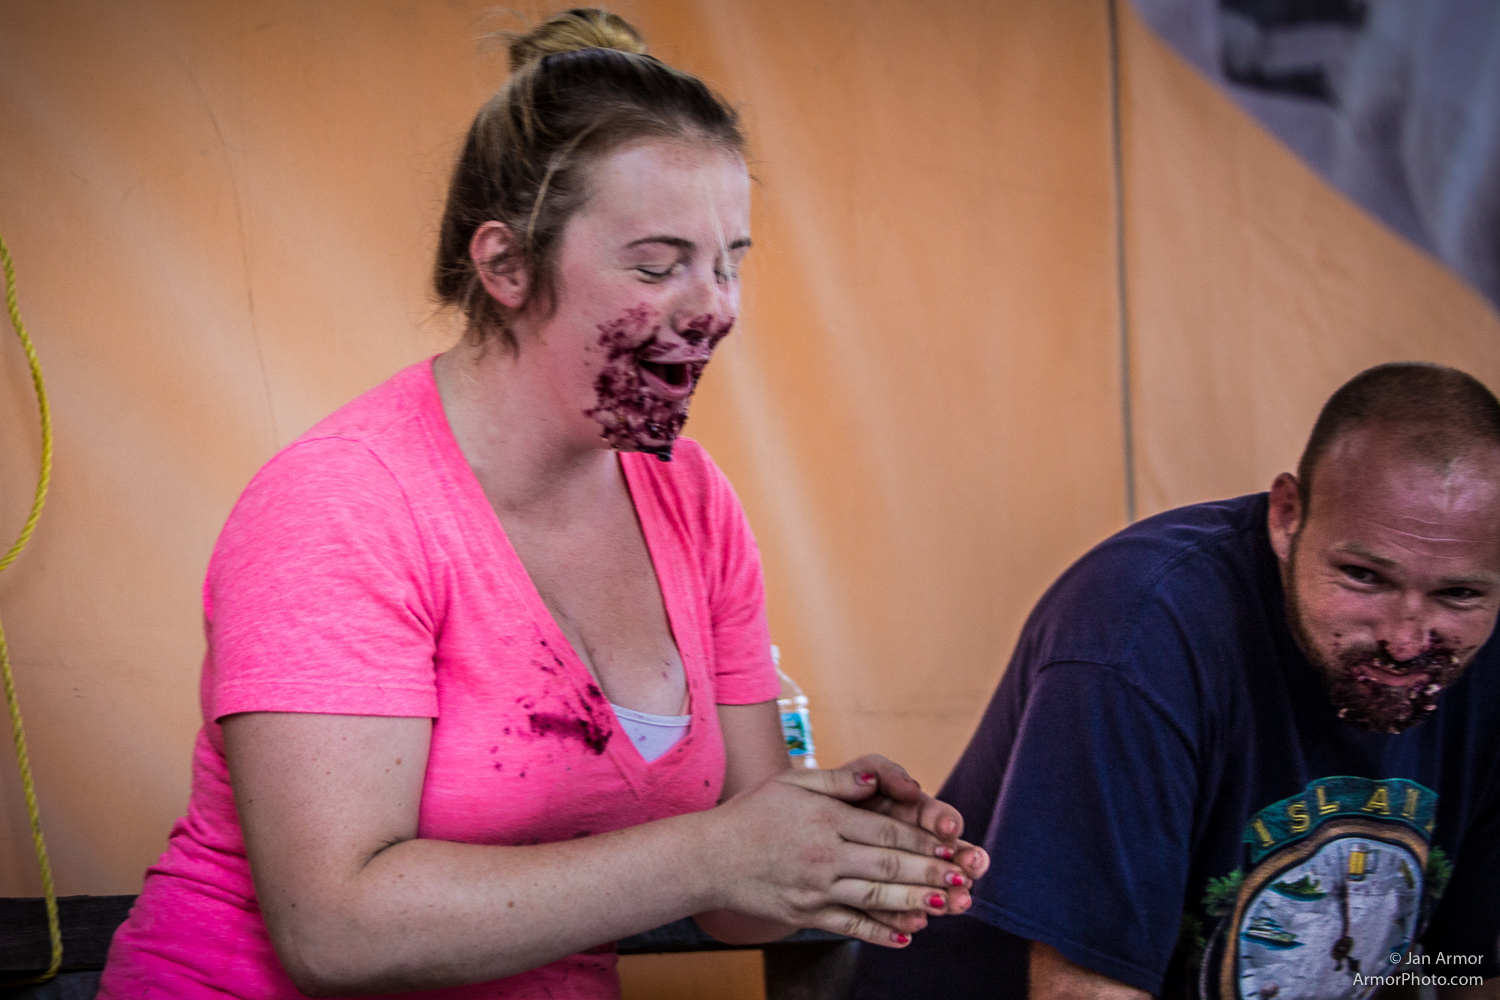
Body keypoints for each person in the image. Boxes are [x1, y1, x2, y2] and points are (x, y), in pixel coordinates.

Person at [98, 10, 986, 998]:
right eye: (658, 264)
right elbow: (334, 927)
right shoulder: (342, 504)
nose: (717, 304)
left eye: (731, 258)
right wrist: (714, 853)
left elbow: (742, 894)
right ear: (505, 266)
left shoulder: (694, 502)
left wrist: (831, 841)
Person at [854, 362, 1500, 1000]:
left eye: (1459, 594)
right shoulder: (1137, 632)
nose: (1407, 641)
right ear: (1286, 517)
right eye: (1364, 577)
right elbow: (1085, 990)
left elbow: (1463, 964)